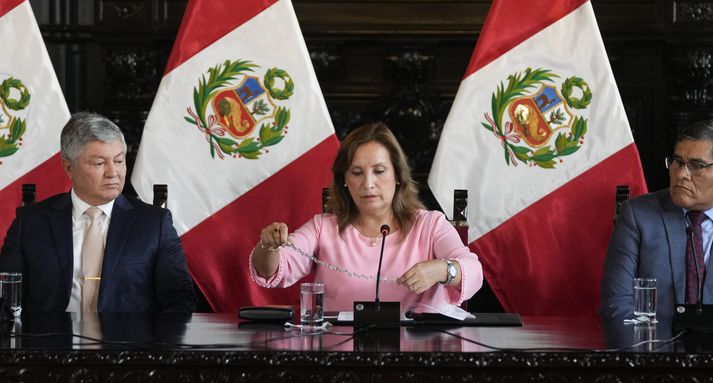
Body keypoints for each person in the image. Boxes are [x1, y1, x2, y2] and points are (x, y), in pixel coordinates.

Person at [249, 122, 483, 312]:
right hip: (340, 356)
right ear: (345, 180)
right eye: (357, 173)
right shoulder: (323, 227)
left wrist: (443, 270)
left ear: (398, 175)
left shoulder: (430, 225)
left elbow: (474, 272)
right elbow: (273, 270)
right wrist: (268, 246)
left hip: (417, 356)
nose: (368, 184)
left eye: (379, 171)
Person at [0, 112, 195, 313]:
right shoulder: (31, 222)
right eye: (100, 163)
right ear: (69, 167)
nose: (113, 173)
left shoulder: (155, 224)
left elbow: (179, 298)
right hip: (50, 340)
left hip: (128, 341)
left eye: (119, 161)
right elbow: (5, 296)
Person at [600, 119, 713, 319]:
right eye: (677, 162)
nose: (681, 174)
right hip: (651, 345)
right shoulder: (638, 215)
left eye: (697, 165)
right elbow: (616, 305)